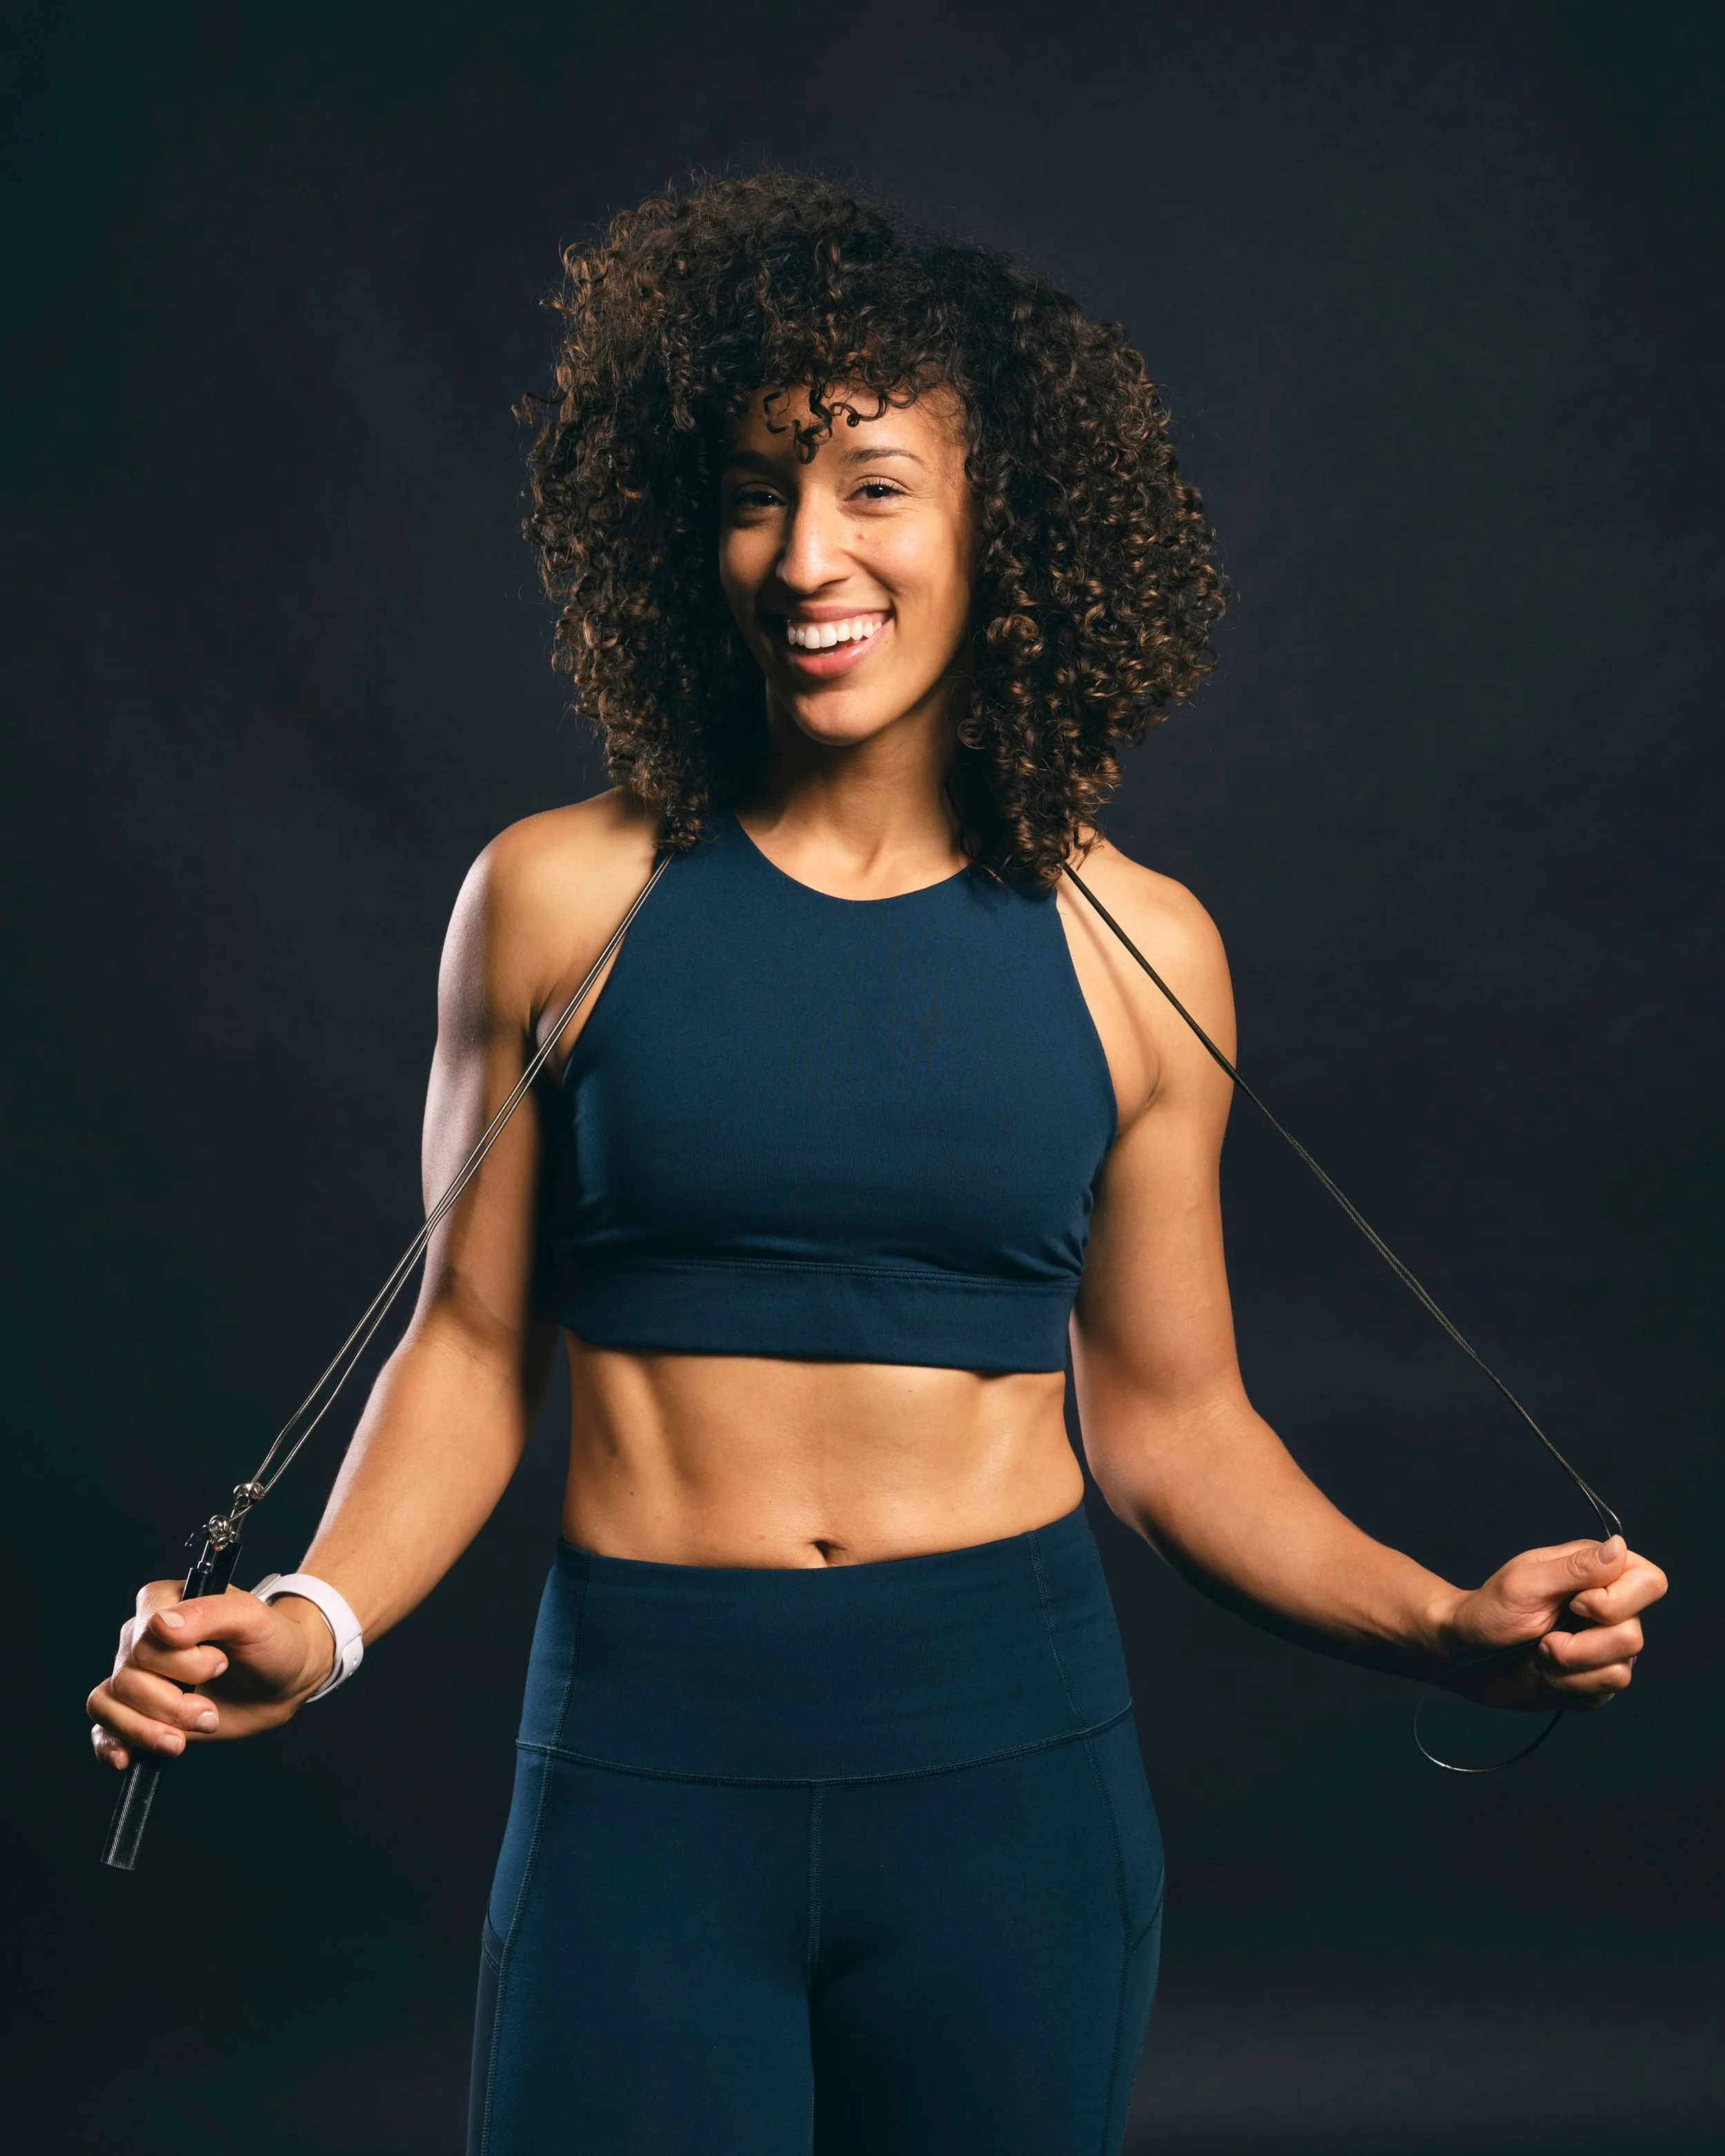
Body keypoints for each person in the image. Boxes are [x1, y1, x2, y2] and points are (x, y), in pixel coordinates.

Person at [86, 173, 1666, 2156]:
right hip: (645, 1769)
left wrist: (1441, 1622)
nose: (804, 553)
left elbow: (1174, 1429)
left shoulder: (1140, 945)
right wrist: (314, 1620)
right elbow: (472, 1345)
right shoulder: (552, 897)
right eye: (755, 491)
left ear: (999, 521)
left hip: (1007, 1778)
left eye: (874, 485)